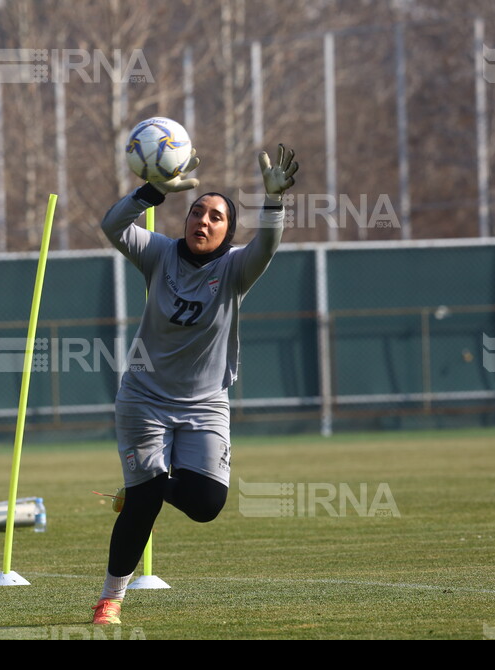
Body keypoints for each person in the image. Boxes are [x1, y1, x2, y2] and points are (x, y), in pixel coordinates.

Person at [91, 144, 299, 625]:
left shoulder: (235, 270)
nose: (203, 221)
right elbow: (112, 228)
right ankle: (110, 600)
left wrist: (274, 203)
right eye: (197, 212)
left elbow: (267, 245)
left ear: (229, 231)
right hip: (144, 398)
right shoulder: (159, 254)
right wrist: (149, 192)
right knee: (143, 501)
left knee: (207, 504)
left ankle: (145, 484)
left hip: (205, 403)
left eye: (217, 217)